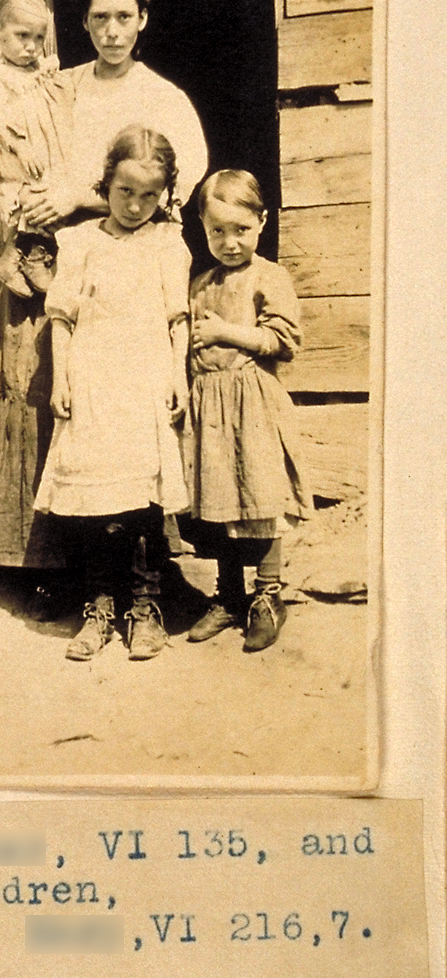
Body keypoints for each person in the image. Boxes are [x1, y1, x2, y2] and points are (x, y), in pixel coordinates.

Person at [0, 0, 207, 573]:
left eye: (124, 16)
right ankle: (41, 566)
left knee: (118, 413)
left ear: (143, 19)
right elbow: (10, 143)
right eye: (99, 20)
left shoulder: (164, 99)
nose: (112, 31)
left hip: (123, 276)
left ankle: (137, 572)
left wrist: (75, 196)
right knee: (41, 394)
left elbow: (169, 197)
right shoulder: (59, 86)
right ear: (85, 24)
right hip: (48, 264)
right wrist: (29, 195)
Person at [33, 126, 191, 660]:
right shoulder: (79, 242)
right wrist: (62, 379)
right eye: (125, 192)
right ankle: (98, 608)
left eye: (150, 195)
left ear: (165, 194)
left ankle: (145, 609)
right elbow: (62, 319)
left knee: (143, 503)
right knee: (96, 504)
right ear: (106, 184)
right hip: (96, 385)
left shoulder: (168, 242)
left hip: (144, 386)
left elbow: (178, 320)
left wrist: (178, 376)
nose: (136, 205)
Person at [183, 170, 312, 652]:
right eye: (217, 230)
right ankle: (229, 595)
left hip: (253, 402)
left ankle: (268, 595)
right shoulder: (199, 282)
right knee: (219, 500)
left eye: (240, 229)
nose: (229, 241)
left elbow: (282, 341)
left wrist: (225, 334)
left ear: (262, 222)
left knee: (261, 495)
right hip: (209, 406)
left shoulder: (269, 276)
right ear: (201, 226)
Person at [0, 0, 60, 298]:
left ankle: (13, 259)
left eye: (39, 38)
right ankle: (32, 258)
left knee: (47, 199)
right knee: (33, 202)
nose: (32, 47)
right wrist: (19, 145)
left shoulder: (37, 70)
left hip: (43, 152)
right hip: (20, 155)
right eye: (23, 36)